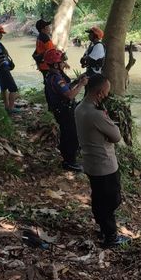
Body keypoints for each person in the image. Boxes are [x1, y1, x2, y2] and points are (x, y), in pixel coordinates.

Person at [74, 74, 130, 247]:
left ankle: (103, 229)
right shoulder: (96, 114)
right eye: (106, 92)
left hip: (90, 163)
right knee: (111, 200)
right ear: (99, 93)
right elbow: (116, 136)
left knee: (99, 198)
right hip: (104, 165)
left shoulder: (79, 108)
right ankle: (110, 237)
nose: (107, 95)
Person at [44, 49, 88, 172]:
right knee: (71, 135)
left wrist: (76, 81)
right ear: (55, 64)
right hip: (64, 111)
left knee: (67, 134)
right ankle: (69, 162)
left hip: (62, 110)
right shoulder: (56, 78)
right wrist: (81, 85)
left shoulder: (54, 76)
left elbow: (65, 88)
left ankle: (68, 158)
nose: (64, 64)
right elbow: (69, 95)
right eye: (62, 62)